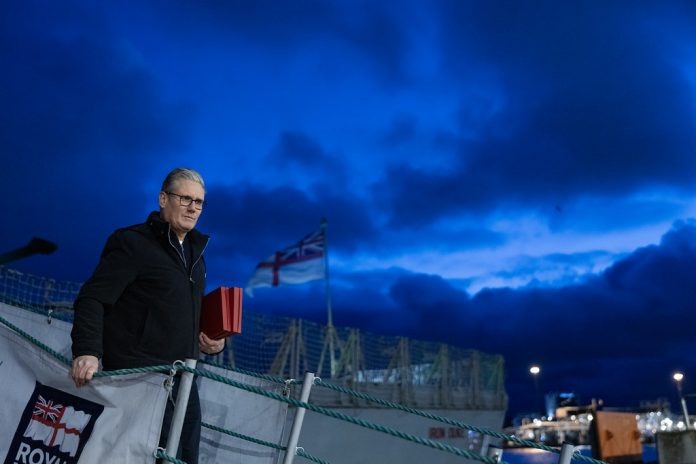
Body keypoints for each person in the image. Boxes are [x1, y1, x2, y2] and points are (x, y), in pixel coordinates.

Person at [70, 167, 224, 463]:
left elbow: (187, 314)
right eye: (185, 199)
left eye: (199, 202)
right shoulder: (132, 243)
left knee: (184, 459)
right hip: (139, 381)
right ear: (163, 199)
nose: (193, 207)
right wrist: (87, 351)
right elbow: (92, 298)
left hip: (184, 382)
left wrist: (215, 342)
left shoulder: (197, 255)